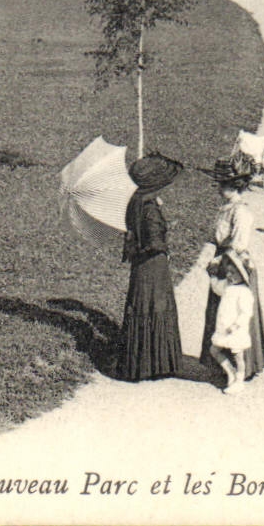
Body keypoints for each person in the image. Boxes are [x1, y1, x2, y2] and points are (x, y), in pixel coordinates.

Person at [201, 159, 264, 382]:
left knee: (233, 312)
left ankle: (241, 365)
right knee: (218, 311)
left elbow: (239, 243)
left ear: (234, 186)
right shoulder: (227, 208)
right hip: (223, 260)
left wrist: (221, 259)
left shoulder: (240, 212)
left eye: (223, 185)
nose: (219, 188)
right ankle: (218, 363)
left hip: (233, 265)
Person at [116, 154, 185, 382]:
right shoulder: (149, 210)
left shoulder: (135, 201)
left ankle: (139, 363)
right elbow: (155, 243)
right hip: (153, 266)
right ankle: (157, 364)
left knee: (142, 307)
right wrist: (164, 241)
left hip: (140, 267)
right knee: (155, 305)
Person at [208, 249, 257, 394]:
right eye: (228, 272)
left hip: (235, 330)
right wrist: (212, 275)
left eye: (234, 273)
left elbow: (246, 312)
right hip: (223, 327)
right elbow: (216, 288)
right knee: (214, 350)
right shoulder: (227, 286)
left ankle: (240, 380)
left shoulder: (244, 292)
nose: (229, 276)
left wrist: (236, 325)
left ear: (242, 276)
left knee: (238, 355)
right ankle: (230, 371)